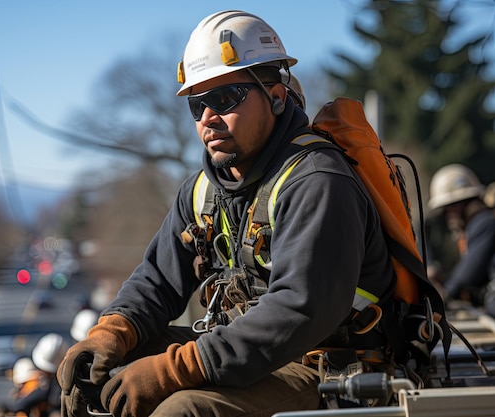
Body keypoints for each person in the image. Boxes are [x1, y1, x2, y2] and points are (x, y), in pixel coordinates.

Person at [57, 10, 396, 417]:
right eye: (197, 105)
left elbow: (297, 311)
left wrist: (172, 370)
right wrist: (112, 332)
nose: (207, 118)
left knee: (182, 410)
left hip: (322, 365)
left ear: (275, 96)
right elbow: (158, 281)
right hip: (246, 353)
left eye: (224, 99)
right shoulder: (203, 191)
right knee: (102, 374)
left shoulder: (317, 182)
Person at [428, 164, 495, 313]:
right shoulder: (482, 224)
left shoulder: (485, 224)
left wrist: (446, 293)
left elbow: (468, 275)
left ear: (459, 205)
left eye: (448, 210)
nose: (449, 217)